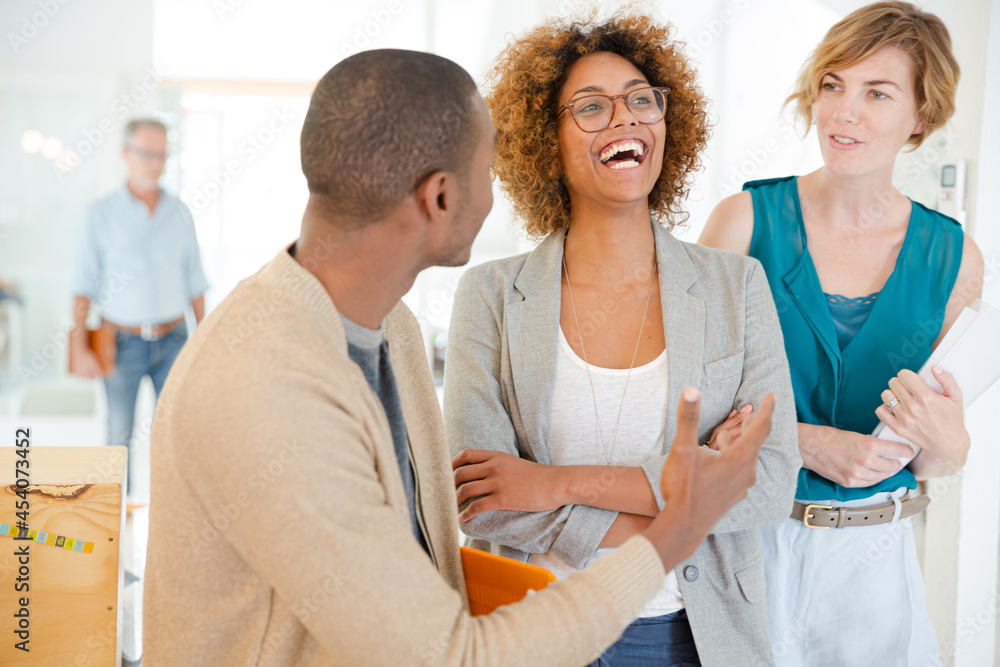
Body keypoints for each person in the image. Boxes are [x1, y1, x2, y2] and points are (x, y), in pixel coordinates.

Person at [142, 49, 777, 666]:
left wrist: (556, 488)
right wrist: (675, 528)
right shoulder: (265, 383)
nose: (496, 190)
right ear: (443, 197)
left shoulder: (393, 331)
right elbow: (450, 652)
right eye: (488, 164)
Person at [442, 15, 801, 667]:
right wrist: (682, 516)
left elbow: (771, 481)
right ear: (545, 141)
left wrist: (550, 483)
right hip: (536, 630)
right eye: (591, 107)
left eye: (641, 99)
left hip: (687, 636)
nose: (626, 118)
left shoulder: (735, 285)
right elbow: (481, 499)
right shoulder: (490, 295)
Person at [699, 3, 984, 664]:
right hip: (745, 548)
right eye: (833, 85)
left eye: (876, 92)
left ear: (920, 116)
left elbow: (931, 454)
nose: (842, 111)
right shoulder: (742, 224)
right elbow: (681, 411)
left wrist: (952, 443)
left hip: (875, 570)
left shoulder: (955, 259)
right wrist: (803, 442)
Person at [69, 118, 208, 492]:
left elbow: (195, 282)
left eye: (162, 154)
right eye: (147, 153)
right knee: (118, 436)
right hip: (122, 343)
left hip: (175, 339)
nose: (156, 163)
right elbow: (83, 286)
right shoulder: (98, 214)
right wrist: (80, 346)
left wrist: (203, 342)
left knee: (177, 434)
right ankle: (116, 527)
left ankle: (173, 520)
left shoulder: (180, 213)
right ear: (125, 154)